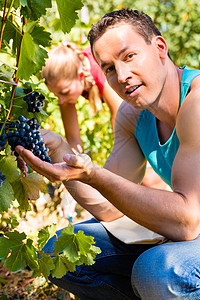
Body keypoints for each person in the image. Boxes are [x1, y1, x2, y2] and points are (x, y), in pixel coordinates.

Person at [16, 8, 200, 299]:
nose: (123, 75)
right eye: (110, 68)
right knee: (61, 253)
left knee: (155, 269)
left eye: (129, 56)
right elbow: (111, 207)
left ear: (160, 48)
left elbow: (188, 221)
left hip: (192, 228)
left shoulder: (197, 100)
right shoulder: (132, 117)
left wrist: (95, 174)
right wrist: (63, 153)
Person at [42, 39, 168, 221]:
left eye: (64, 92)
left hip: (147, 113)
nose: (60, 100)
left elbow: (124, 127)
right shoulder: (67, 88)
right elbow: (73, 142)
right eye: (56, 95)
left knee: (149, 178)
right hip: (133, 119)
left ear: (79, 75)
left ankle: (164, 226)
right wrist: (70, 187)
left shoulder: (105, 76)